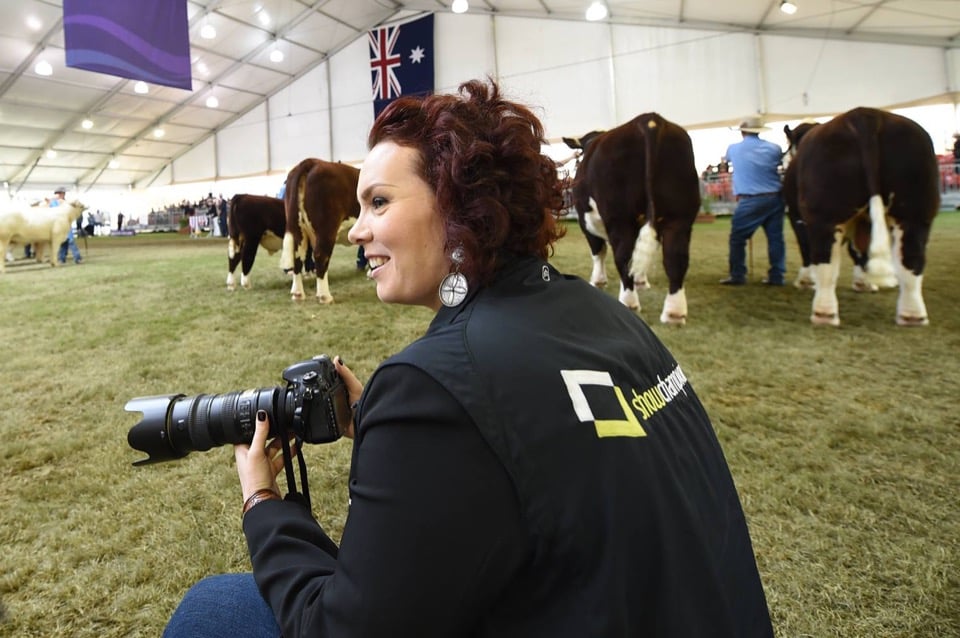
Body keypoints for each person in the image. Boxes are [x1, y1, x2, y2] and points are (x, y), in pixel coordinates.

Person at [163, 80, 774, 638]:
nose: (355, 231)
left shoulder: (434, 383)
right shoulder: (602, 313)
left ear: (459, 208)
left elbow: (340, 630)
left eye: (379, 202)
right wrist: (388, 429)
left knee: (209, 611)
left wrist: (263, 504)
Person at [719, 116, 786, 285]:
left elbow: (725, 162)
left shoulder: (733, 149)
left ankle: (738, 274)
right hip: (775, 197)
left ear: (743, 131)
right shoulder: (774, 148)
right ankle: (777, 276)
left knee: (737, 238)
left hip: (750, 199)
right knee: (775, 238)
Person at [52, 187, 83, 265]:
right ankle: (62, 258)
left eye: (61, 193)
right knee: (63, 242)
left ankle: (77, 257)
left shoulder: (67, 202)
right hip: (59, 224)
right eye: (58, 193)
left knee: (70, 241)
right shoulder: (53, 203)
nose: (60, 195)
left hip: (66, 224)